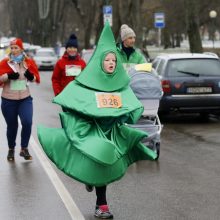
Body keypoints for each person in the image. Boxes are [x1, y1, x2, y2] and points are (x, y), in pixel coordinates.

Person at [38, 23, 156, 219]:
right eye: (107, 60)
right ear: (100, 62)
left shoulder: (121, 86)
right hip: (91, 130)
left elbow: (129, 107)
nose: (111, 63)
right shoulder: (86, 83)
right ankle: (101, 204)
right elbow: (70, 97)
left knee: (106, 162)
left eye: (113, 60)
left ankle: (97, 191)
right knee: (100, 157)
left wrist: (124, 115)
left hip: (112, 132)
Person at [0, 38, 40, 162]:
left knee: (27, 122)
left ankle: (24, 148)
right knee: (12, 126)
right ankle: (11, 149)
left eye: (16, 47)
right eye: (12, 48)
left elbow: (36, 78)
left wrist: (30, 76)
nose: (14, 50)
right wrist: (8, 76)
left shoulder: (28, 61)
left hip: (24, 98)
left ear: (21, 49)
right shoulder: (5, 62)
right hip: (8, 99)